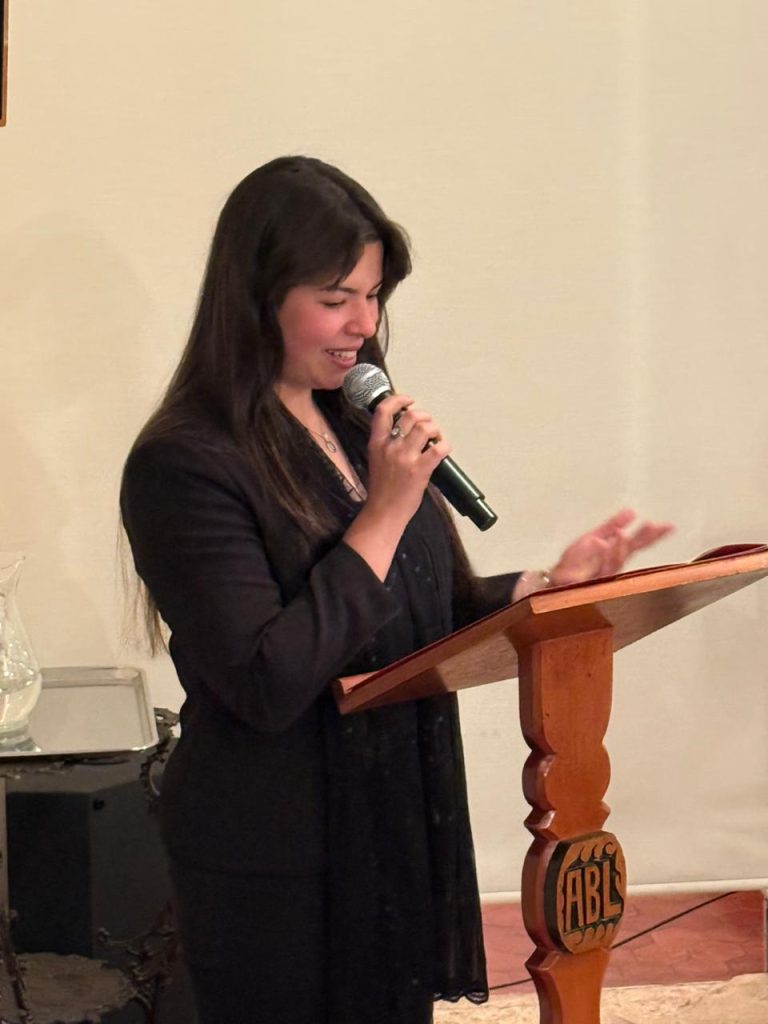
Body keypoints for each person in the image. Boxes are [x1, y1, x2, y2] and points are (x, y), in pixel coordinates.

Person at [120, 156, 672, 1024]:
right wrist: (382, 512)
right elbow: (267, 680)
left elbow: (420, 615)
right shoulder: (184, 462)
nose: (363, 325)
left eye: (374, 296)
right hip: (273, 851)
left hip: (391, 820)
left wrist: (545, 589)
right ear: (257, 295)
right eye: (336, 298)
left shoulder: (355, 422)